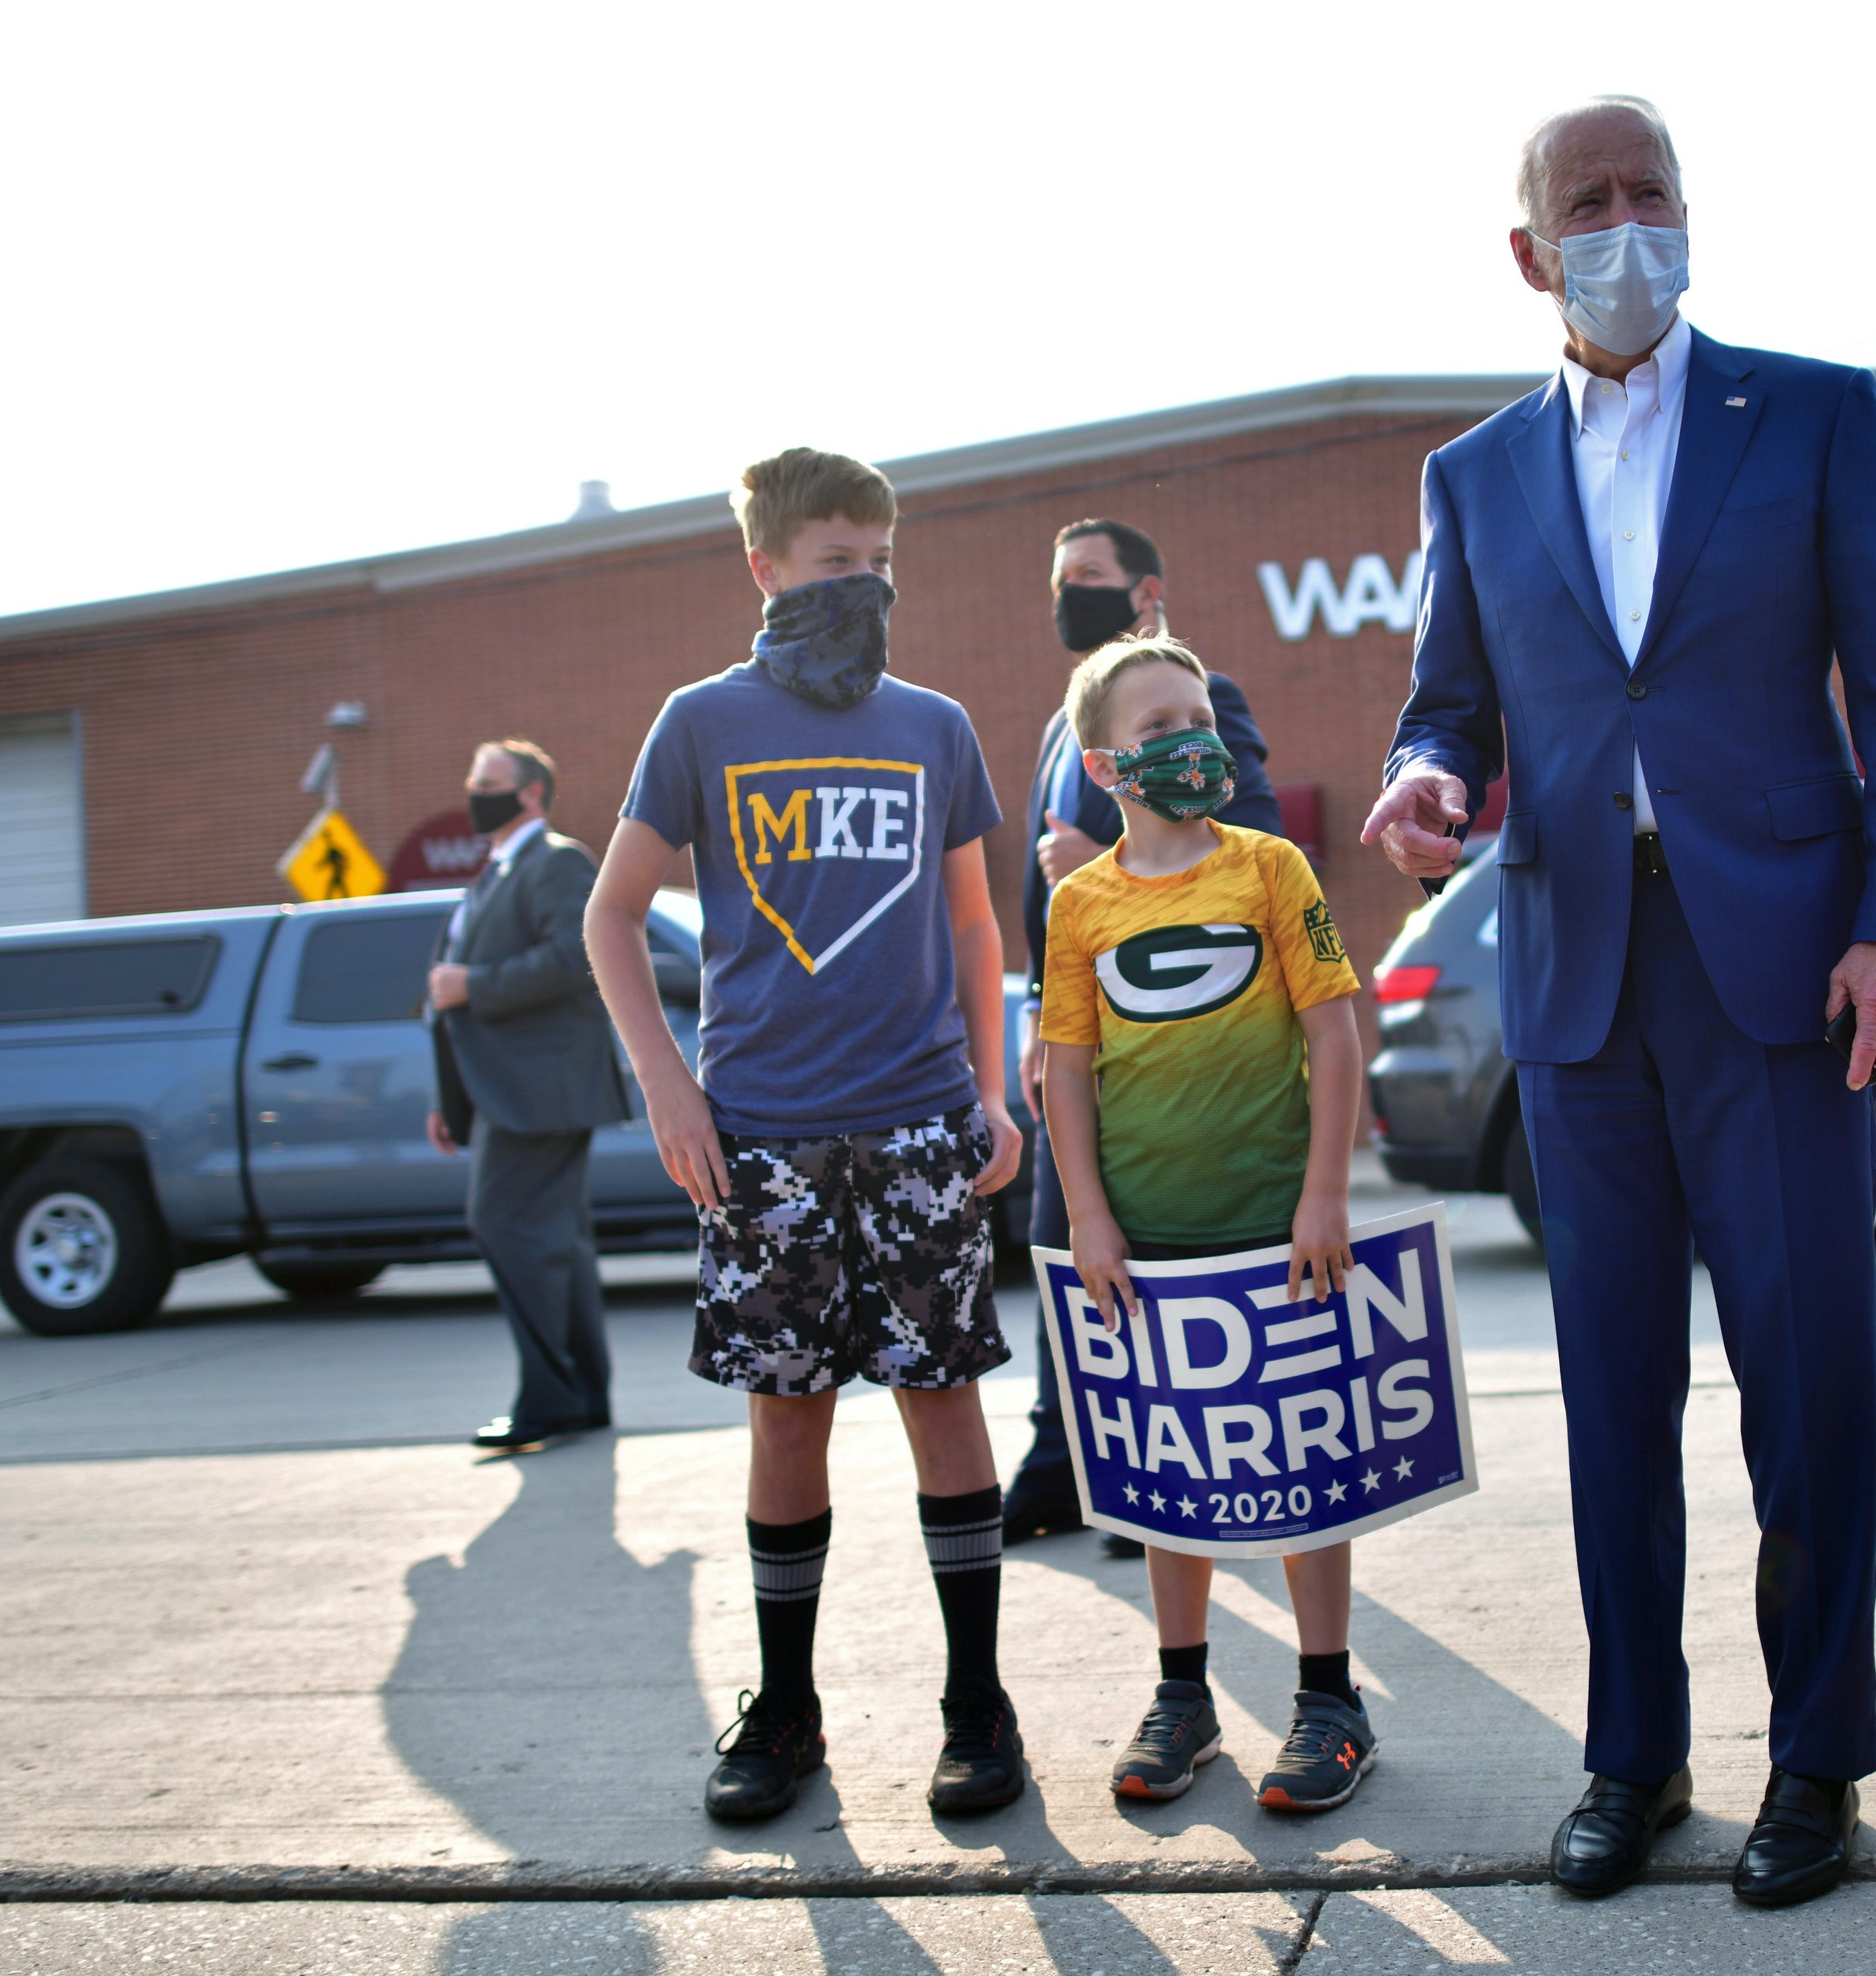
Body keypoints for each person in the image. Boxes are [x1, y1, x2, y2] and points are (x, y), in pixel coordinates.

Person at [1361, 96, 1876, 1907]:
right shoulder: (1473, 475)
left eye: (1652, 194)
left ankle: (1815, 1759)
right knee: (1611, 1402)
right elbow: (1448, 703)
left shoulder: (1814, 414)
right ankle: (1632, 1755)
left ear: (1688, 216)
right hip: (1575, 981)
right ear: (1528, 252)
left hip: (1779, 973)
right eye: (1589, 203)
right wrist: (1420, 774)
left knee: (1806, 1387)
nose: (1626, 226)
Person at [582, 446, 1029, 1825]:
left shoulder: (933, 725)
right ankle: (787, 1708)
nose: (866, 583)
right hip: (762, 1135)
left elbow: (973, 922)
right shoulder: (700, 722)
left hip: (918, 1124)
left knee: (944, 1406)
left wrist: (992, 1090)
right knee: (787, 1421)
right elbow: (611, 914)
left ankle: (977, 1703)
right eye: (838, 561)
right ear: (766, 566)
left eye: (882, 561)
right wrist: (668, 1087)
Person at [1036, 633, 1375, 1808]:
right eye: (1160, 726)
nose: (1191, 740)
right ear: (1104, 765)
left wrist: (1323, 1193)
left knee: (1304, 1466)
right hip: (1145, 1243)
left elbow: (1335, 1033)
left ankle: (1329, 1698)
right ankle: (1183, 1695)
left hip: (1280, 1230)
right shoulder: (1078, 904)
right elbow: (1064, 1071)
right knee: (1168, 1474)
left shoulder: (1274, 869)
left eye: (1201, 718)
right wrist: (1089, 1216)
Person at [1002, 518, 1284, 1551]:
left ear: (1146, 593)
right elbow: (1045, 910)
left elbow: (1253, 837)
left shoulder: (1205, 706)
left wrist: (1100, 853)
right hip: (1073, 1038)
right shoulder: (1060, 727)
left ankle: (1163, 1471)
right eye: (1059, 578)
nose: (1067, 594)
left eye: (1089, 577)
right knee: (1062, 1247)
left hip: (1171, 1037)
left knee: (1158, 1254)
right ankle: (1061, 1464)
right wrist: (1038, 1019)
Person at [425, 738, 628, 1452]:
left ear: (532, 792)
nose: (474, 792)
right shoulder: (494, 872)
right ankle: (582, 1397)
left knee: (504, 1223)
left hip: (541, 1092)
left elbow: (576, 955)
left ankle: (549, 1399)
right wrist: (451, 1098)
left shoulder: (557, 861)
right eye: (473, 779)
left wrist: (473, 985)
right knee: (557, 1241)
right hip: (502, 1091)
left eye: (488, 782)